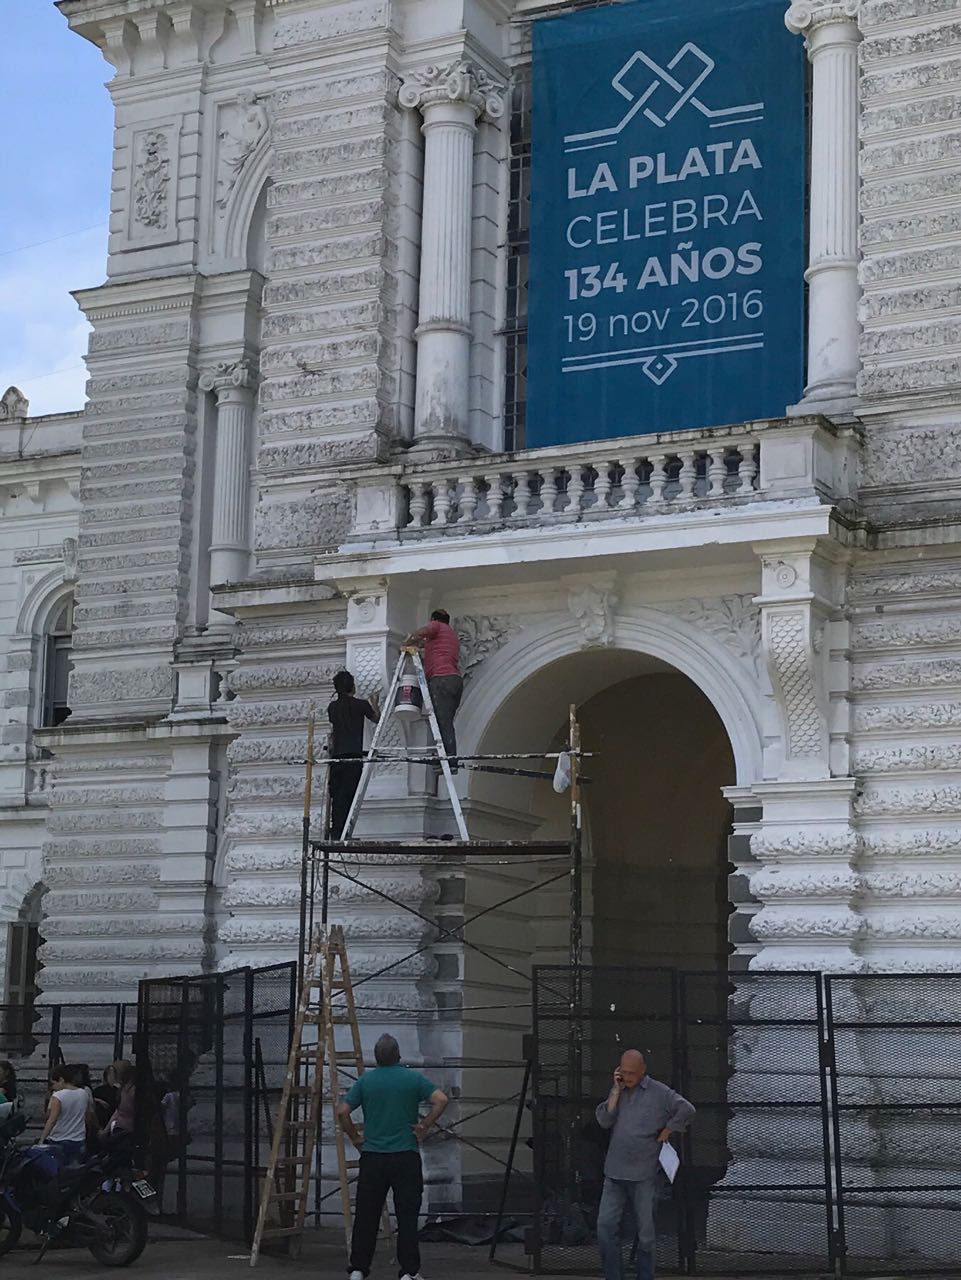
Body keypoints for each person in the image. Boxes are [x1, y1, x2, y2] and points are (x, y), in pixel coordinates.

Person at [337, 1033, 448, 1280]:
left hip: (373, 1156)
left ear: (377, 1058)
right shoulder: (412, 1079)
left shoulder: (366, 1081)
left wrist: (356, 1138)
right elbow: (441, 1100)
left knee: (367, 1215)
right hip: (405, 1156)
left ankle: (358, 1269)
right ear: (398, 1055)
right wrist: (424, 1125)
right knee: (407, 1215)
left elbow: (343, 1112)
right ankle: (409, 1271)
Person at [594, 1049, 695, 1280]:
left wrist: (669, 1129)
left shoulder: (659, 1093)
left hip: (644, 1173)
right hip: (615, 1171)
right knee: (605, 1227)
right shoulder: (620, 1091)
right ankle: (614, 1275)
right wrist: (615, 1090)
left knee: (646, 1234)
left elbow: (687, 1109)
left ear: (643, 1071)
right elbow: (604, 1120)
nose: (628, 1077)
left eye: (632, 1073)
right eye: (624, 1072)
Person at [406, 609, 462, 770]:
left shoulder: (436, 626)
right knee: (446, 722)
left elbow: (423, 632)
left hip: (441, 679)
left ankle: (448, 760)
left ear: (434, 619)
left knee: (442, 722)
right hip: (454, 680)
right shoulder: (449, 635)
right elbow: (426, 643)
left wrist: (409, 641)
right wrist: (420, 644)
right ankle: (446, 758)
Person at [327, 670, 380, 838]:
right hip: (353, 757)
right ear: (353, 687)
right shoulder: (361, 705)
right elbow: (377, 718)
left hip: (337, 757)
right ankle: (345, 833)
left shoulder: (332, 707)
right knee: (350, 796)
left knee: (337, 796)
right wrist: (375, 703)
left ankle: (336, 831)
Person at [39, 1064, 95, 1165]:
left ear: (61, 1080)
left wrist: (42, 1138)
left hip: (59, 1138)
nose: (54, 1087)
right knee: (75, 1171)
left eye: (54, 1083)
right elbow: (88, 1115)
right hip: (78, 1138)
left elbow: (52, 1119)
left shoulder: (58, 1096)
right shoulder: (83, 1093)